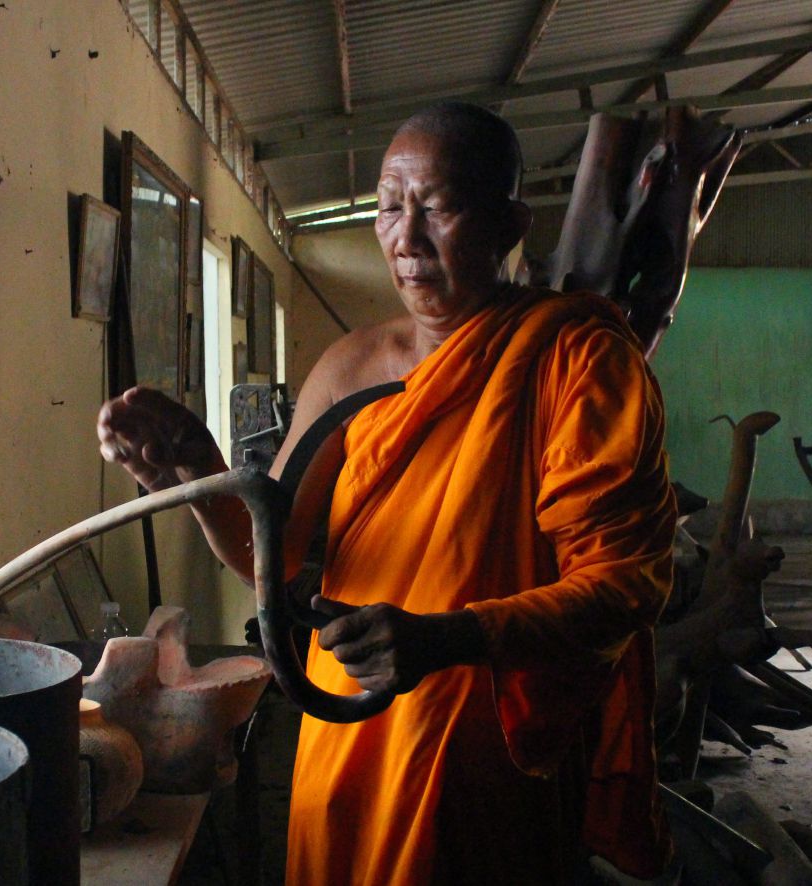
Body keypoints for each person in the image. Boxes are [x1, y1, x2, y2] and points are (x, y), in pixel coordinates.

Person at [97, 102, 675, 885]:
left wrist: (446, 640)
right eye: (388, 207)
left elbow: (626, 587)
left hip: (486, 747)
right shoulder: (350, 365)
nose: (405, 237)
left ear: (510, 223)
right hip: (350, 726)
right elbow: (276, 561)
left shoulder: (577, 361)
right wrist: (194, 474)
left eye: (437, 206)